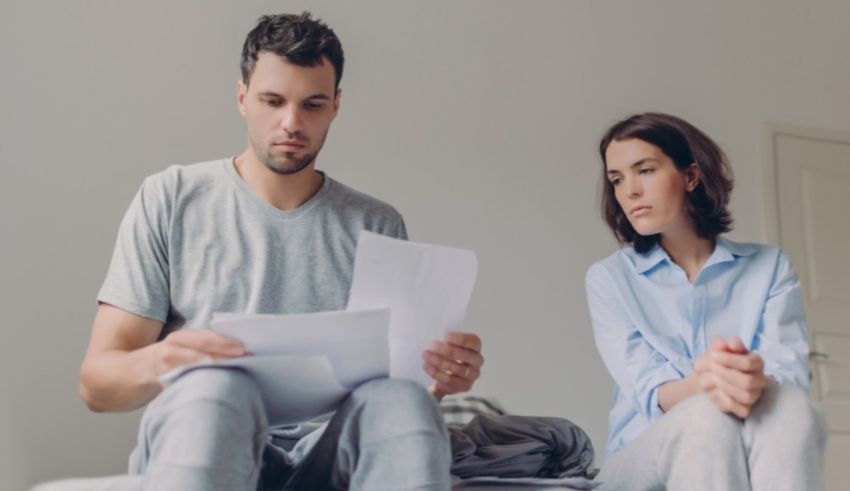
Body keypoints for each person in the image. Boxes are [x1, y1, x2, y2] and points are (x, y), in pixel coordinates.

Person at [51, 12, 484, 491]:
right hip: (210, 429)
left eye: (313, 105)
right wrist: (165, 358)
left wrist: (437, 383)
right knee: (222, 388)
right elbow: (96, 385)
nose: (291, 123)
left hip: (326, 453)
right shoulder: (171, 198)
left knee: (405, 402)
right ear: (241, 97)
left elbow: (388, 399)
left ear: (336, 105)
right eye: (272, 101)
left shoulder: (376, 224)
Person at [586, 112, 827, 491]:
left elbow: (788, 376)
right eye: (617, 179)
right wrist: (711, 382)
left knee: (793, 409)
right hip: (639, 462)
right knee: (705, 415)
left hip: (749, 441)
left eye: (644, 170)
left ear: (691, 176)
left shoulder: (770, 267)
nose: (629, 190)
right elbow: (650, 390)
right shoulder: (609, 278)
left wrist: (748, 379)